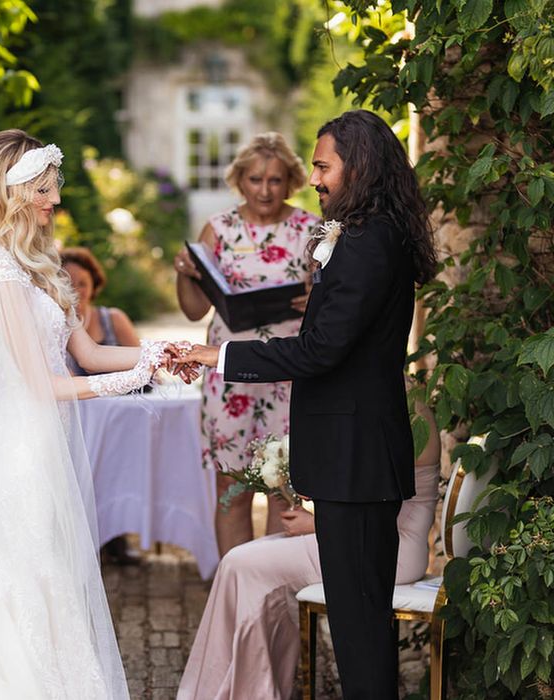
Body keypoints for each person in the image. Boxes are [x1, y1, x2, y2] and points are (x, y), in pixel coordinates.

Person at [181, 110, 439, 699]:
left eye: (323, 166)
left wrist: (217, 358)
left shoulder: (369, 242)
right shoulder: (371, 234)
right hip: (355, 458)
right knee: (359, 624)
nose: (316, 178)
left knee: (359, 627)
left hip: (357, 460)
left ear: (359, 166)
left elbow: (321, 350)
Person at [0, 130, 179, 699]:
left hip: (45, 448)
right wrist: (134, 379)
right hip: (18, 456)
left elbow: (88, 354)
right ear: (13, 192)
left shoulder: (39, 267)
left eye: (53, 187)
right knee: (26, 582)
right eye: (44, 189)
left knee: (54, 582)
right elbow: (43, 385)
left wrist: (159, 354)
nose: (55, 200)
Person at [177, 394, 441, 699]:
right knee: (246, 560)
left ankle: (242, 690)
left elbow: (378, 510)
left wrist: (316, 524)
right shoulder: (397, 402)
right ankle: (250, 686)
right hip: (368, 540)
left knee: (239, 564)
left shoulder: (408, 413)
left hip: (390, 550)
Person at [174, 132, 319, 556]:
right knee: (230, 485)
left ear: (290, 181)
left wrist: (317, 300)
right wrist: (185, 274)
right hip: (229, 373)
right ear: (241, 180)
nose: (265, 190)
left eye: (275, 180)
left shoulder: (311, 230)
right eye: (255, 179)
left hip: (288, 372)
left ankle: (271, 590)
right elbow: (193, 311)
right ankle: (233, 589)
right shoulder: (218, 229)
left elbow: (334, 307)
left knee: (283, 485)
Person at [61, 246, 144, 565]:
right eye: (67, 282)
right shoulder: (55, 323)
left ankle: (116, 532)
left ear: (94, 284)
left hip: (117, 423)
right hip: (73, 421)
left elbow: (143, 371)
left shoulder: (113, 319)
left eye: (82, 283)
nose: (75, 290)